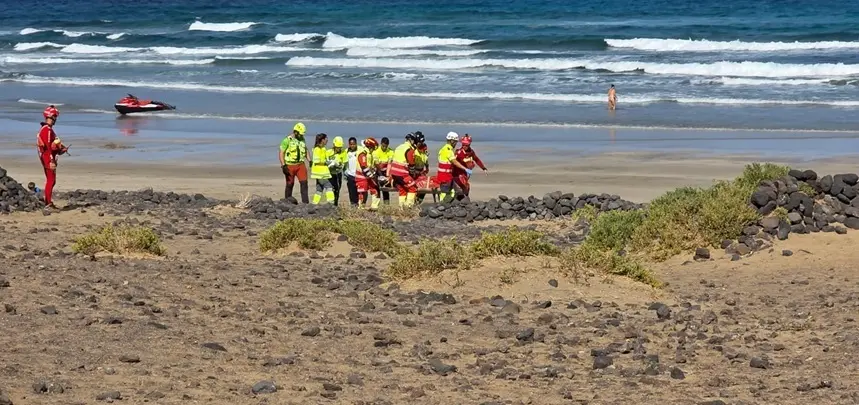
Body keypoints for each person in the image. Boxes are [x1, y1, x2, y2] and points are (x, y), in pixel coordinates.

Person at [37, 105, 67, 210]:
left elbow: (51, 146)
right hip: (47, 158)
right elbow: (48, 147)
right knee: (51, 180)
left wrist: (60, 150)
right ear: (52, 117)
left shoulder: (46, 129)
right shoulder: (47, 130)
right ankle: (48, 203)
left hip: (46, 157)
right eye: (55, 117)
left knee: (51, 180)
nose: (56, 119)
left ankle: (48, 202)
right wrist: (51, 160)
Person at [387, 132, 422, 208]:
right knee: (413, 188)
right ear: (412, 141)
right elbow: (411, 164)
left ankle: (401, 208)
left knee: (402, 190)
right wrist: (413, 173)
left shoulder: (399, 147)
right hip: (402, 173)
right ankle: (408, 207)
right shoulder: (409, 149)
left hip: (394, 173)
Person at [279, 122, 310, 203]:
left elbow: (306, 150)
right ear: (295, 132)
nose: (301, 136)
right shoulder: (287, 140)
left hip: (301, 165)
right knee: (290, 184)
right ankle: (287, 201)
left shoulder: (302, 139)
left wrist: (310, 160)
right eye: (300, 134)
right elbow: (281, 153)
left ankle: (305, 203)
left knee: (304, 183)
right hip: (290, 165)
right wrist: (283, 165)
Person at [437, 131, 470, 203]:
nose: (456, 144)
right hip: (445, 176)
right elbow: (454, 162)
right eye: (455, 142)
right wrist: (465, 169)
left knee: (452, 192)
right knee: (445, 192)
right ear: (452, 141)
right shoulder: (447, 150)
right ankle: (442, 204)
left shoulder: (444, 149)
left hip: (447, 176)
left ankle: (445, 204)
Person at [355, 138, 381, 210]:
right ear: (370, 147)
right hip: (361, 176)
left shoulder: (370, 154)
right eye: (373, 147)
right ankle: (361, 208)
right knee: (362, 193)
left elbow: (370, 165)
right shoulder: (363, 154)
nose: (374, 149)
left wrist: (375, 173)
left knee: (375, 189)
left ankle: (374, 207)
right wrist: (371, 175)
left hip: (368, 176)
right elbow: (363, 166)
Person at [310, 133, 335, 204]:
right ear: (322, 140)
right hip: (321, 173)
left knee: (319, 189)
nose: (327, 140)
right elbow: (316, 161)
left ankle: (315, 203)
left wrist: (329, 161)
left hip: (322, 172)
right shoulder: (317, 149)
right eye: (326, 139)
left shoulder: (323, 149)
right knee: (329, 187)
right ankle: (331, 202)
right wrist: (326, 162)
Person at [327, 136, 348, 206]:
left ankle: (335, 204)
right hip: (330, 174)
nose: (338, 149)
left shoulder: (343, 153)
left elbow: (345, 164)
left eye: (340, 147)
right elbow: (325, 162)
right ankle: (330, 204)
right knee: (329, 190)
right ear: (334, 145)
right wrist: (330, 164)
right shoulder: (328, 152)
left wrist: (340, 166)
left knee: (337, 189)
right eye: (337, 147)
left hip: (338, 174)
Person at [372, 137, 394, 204]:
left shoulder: (391, 152)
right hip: (377, 171)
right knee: (376, 188)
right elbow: (376, 164)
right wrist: (381, 175)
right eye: (383, 146)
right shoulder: (376, 151)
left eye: (386, 146)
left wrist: (387, 176)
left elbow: (390, 164)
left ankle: (386, 205)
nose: (384, 148)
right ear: (381, 144)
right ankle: (375, 205)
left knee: (386, 190)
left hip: (386, 172)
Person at [344, 137, 360, 206]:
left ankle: (359, 205)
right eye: (351, 144)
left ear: (356, 144)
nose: (352, 146)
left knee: (359, 192)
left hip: (358, 175)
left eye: (354, 144)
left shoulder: (360, 150)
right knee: (351, 192)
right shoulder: (346, 151)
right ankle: (353, 206)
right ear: (349, 144)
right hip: (350, 175)